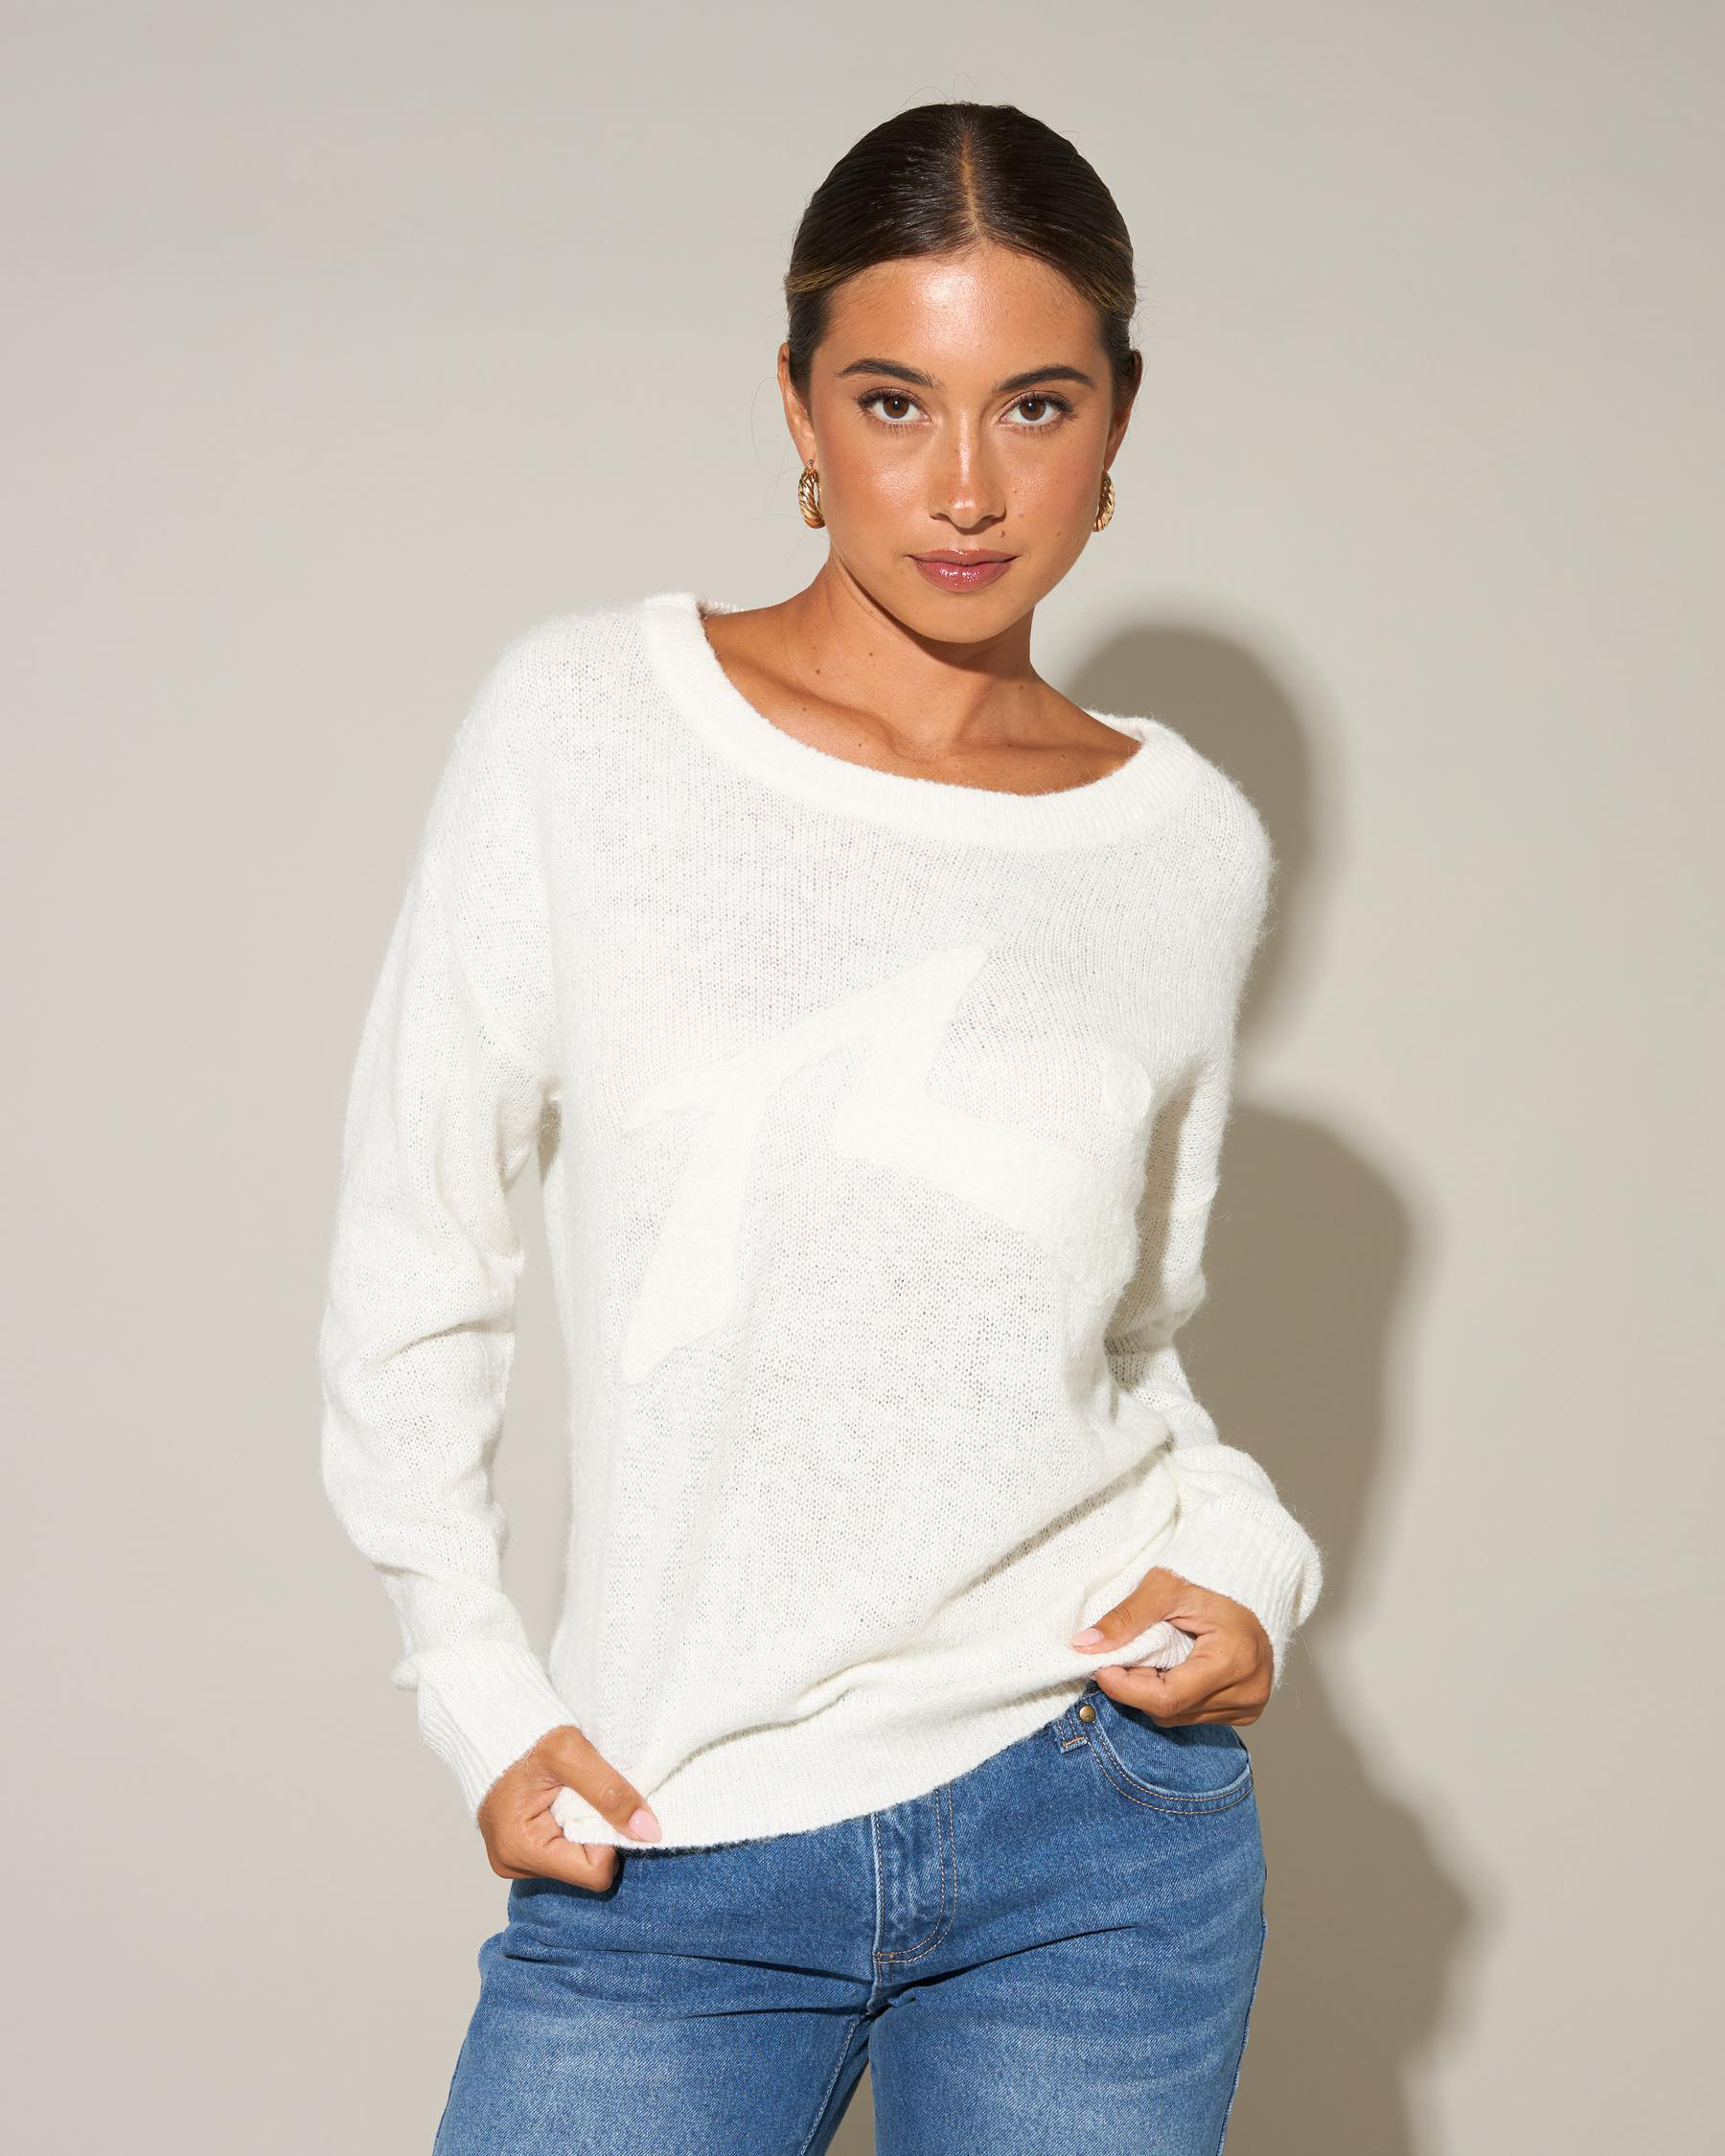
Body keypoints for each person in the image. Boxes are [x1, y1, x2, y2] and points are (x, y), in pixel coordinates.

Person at [318, 98, 1323, 2156]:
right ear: (795, 404)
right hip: (676, 1825)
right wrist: (480, 1693)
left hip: (1093, 1836)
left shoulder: (1183, 846)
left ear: (1118, 420)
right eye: (893, 400)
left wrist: (1250, 1560)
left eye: (1034, 405)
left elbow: (1125, 1344)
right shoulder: (587, 727)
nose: (964, 486)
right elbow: (417, 1248)